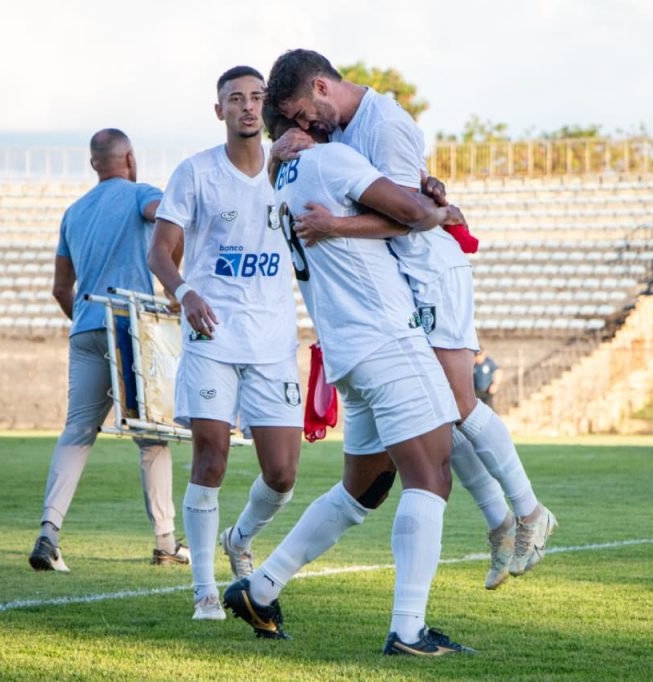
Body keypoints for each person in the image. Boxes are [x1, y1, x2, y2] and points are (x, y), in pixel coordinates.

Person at [264, 49, 555, 592]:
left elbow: (413, 219)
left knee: (460, 406)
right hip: (401, 283)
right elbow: (409, 192)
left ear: (321, 87)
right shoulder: (339, 131)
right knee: (441, 415)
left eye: (302, 114)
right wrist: (277, 155)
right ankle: (499, 522)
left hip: (429, 272)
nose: (304, 127)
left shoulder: (383, 124)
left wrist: (337, 226)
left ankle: (529, 511)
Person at [224, 108, 472, 655]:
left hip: (348, 350)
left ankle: (260, 589)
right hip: (385, 338)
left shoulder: (284, 175)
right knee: (431, 475)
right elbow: (414, 214)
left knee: (364, 490)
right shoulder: (332, 158)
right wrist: (439, 204)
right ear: (303, 114)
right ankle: (408, 630)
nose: (334, 120)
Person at [148, 66, 303, 621]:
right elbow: (160, 252)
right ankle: (204, 591)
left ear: (267, 105)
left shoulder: (291, 170)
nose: (247, 106)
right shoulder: (196, 173)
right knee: (210, 458)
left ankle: (239, 537)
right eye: (235, 99)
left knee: (282, 475)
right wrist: (185, 292)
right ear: (219, 111)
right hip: (212, 336)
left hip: (273, 341)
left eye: (256, 97)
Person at [28, 129, 187, 572]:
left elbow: (61, 288)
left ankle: (49, 532)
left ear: (94, 164)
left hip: (86, 327)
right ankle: (166, 542)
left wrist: (85, 319)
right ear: (130, 158)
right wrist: (174, 278)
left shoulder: (74, 212)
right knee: (153, 438)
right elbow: (169, 217)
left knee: (77, 431)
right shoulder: (141, 194)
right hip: (129, 325)